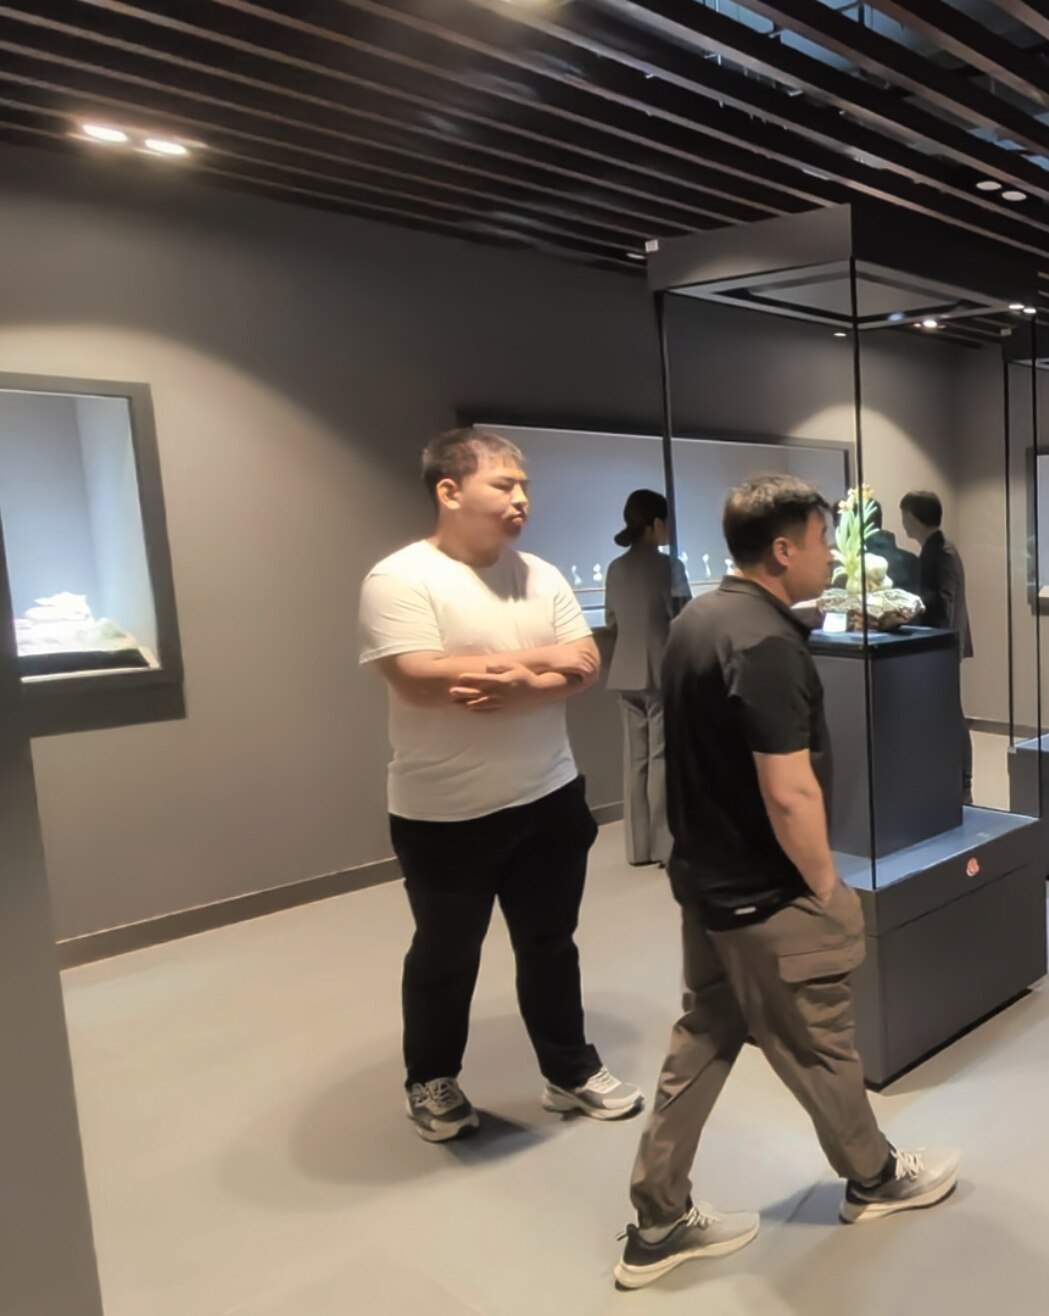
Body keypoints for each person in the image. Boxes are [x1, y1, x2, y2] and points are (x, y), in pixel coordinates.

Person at [617, 473, 960, 1291]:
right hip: (766, 893)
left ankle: (657, 1217)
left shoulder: (701, 619)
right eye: (820, 540)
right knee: (821, 1042)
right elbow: (788, 790)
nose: (828, 556)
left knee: (703, 1037)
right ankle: (876, 1178)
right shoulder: (765, 644)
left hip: (707, 883)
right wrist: (827, 886)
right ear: (782, 549)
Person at [358, 428, 644, 1143]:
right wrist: (545, 667)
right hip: (444, 814)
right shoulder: (400, 578)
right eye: (504, 484)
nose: (521, 499)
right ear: (449, 491)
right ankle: (430, 1080)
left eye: (525, 486)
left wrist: (528, 684)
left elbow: (587, 663)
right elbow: (418, 677)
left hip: (549, 796)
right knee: (446, 954)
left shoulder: (540, 575)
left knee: (550, 943)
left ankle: (569, 1069)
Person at [604, 489, 691, 868]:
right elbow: (683, 617)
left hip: (624, 673)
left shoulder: (615, 568)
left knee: (635, 759)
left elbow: (610, 621)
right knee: (661, 758)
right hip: (660, 671)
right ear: (656, 524)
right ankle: (665, 847)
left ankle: (638, 848)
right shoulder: (670, 567)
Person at [899, 490, 974, 801]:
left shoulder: (940, 553)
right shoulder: (937, 549)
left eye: (905, 516)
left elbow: (943, 604)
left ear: (914, 518)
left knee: (951, 713)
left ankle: (963, 782)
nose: (903, 523)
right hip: (942, 645)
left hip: (941, 646)